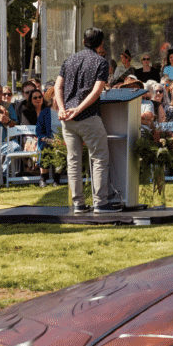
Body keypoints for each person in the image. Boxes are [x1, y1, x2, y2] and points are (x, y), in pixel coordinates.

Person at [55, 27, 118, 213]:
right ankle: (100, 202)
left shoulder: (69, 60)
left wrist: (62, 109)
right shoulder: (101, 62)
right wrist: (79, 109)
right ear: (101, 44)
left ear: (83, 41)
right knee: (99, 158)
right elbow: (97, 90)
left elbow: (58, 87)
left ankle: (78, 204)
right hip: (88, 117)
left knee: (73, 161)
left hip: (67, 118)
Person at [35, 87, 62, 187]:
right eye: (56, 95)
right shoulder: (45, 112)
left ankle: (57, 179)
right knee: (46, 147)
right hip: (47, 139)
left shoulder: (65, 111)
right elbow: (39, 132)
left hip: (62, 140)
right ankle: (43, 178)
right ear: (52, 97)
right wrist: (50, 140)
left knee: (61, 149)